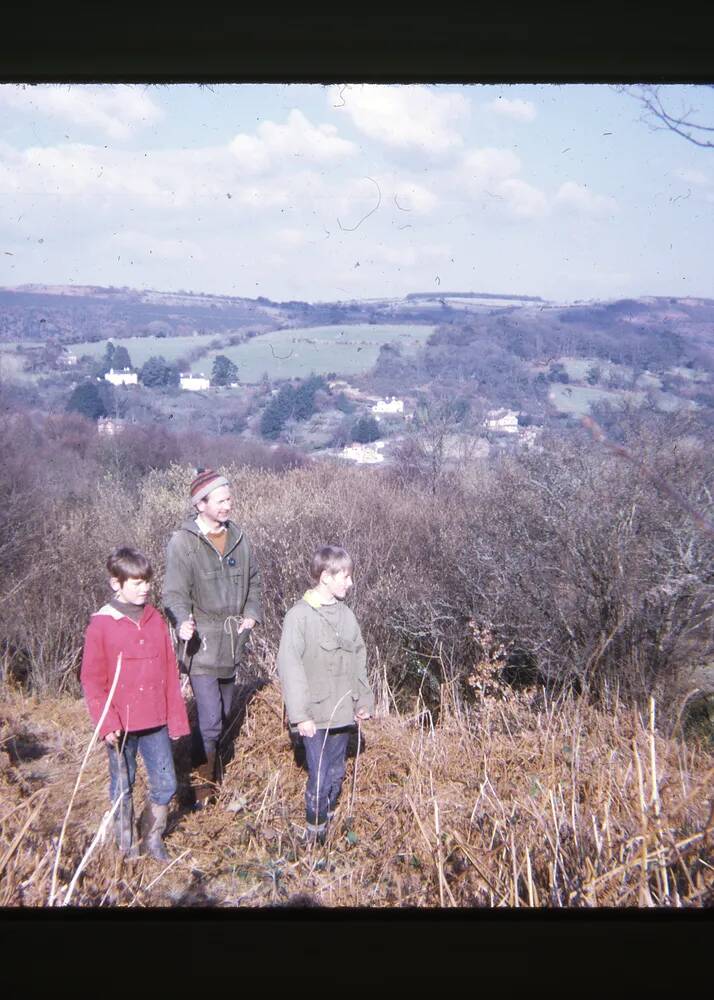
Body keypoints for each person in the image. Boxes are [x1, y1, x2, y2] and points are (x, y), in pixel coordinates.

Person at [80, 546, 190, 861]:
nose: (144, 589)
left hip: (155, 720)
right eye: (136, 583)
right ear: (116, 583)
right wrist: (107, 723)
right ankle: (125, 846)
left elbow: (170, 670)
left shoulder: (155, 620)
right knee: (122, 786)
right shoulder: (102, 624)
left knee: (167, 784)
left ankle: (152, 836)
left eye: (147, 582)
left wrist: (176, 717)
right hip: (121, 725)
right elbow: (91, 680)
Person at [162, 468, 262, 808]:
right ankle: (203, 791)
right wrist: (181, 623)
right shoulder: (183, 542)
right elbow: (173, 592)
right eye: (220, 500)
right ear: (200, 504)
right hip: (201, 645)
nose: (227, 506)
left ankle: (199, 769)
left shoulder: (239, 537)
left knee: (222, 712)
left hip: (233, 643)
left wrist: (251, 614)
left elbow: (255, 581)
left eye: (229, 499)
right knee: (210, 721)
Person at [277, 545, 375, 845]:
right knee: (318, 777)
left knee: (336, 773)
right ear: (324, 577)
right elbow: (289, 666)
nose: (350, 583)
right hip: (314, 717)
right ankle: (314, 837)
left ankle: (328, 827)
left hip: (343, 713)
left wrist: (363, 700)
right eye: (344, 576)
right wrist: (300, 715)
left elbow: (359, 659)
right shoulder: (299, 616)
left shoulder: (347, 616)